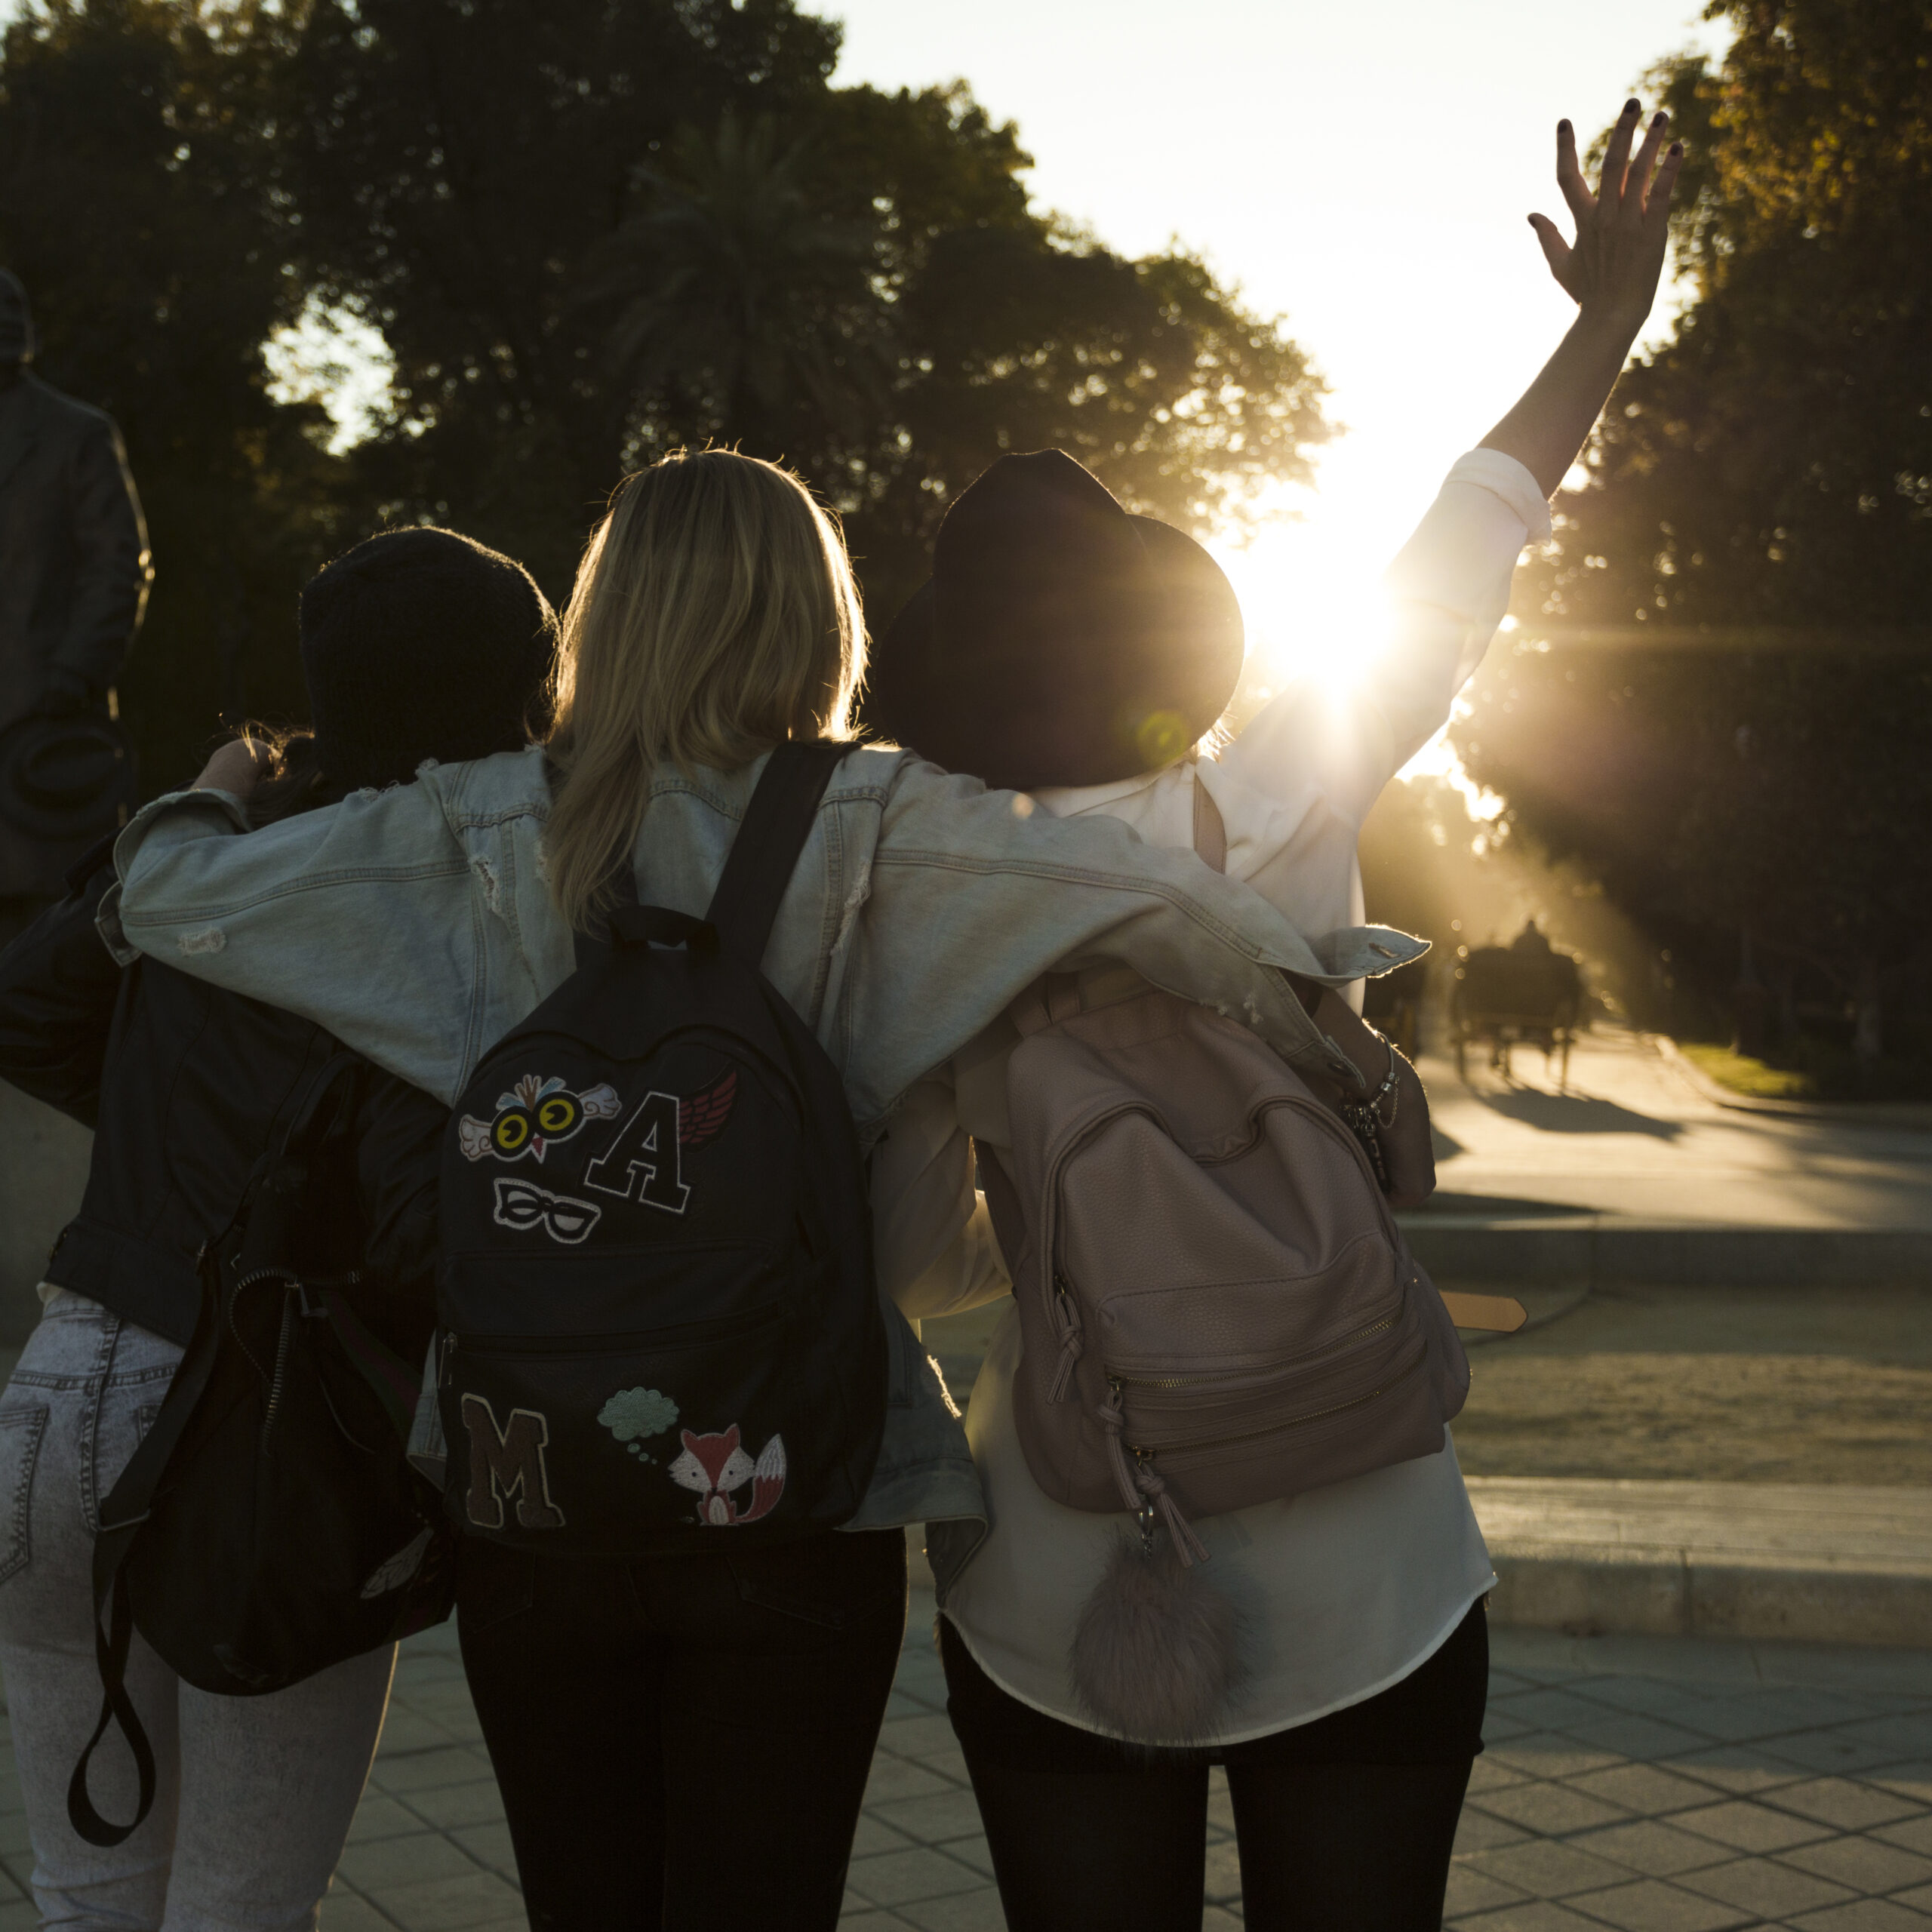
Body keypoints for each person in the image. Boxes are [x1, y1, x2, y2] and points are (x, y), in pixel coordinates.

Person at [105, 448, 1408, 1928]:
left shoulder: (467, 828)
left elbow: (167, 901)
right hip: (796, 1480)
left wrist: (208, 796)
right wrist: (1335, 1012)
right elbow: (1156, 899)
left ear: (603, 618)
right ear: (816, 621)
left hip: (538, 1483)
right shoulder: (883, 822)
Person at [861, 100, 1684, 1932]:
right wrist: (1602, 321)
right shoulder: (1279, 801)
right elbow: (1459, 546)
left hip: (1063, 1574)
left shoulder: (915, 893)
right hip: (1370, 1553)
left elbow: (918, 1264)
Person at [0, 527, 555, 1930]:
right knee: (240, 1910)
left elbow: (23, 1007)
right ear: (524, 694)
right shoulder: (448, 919)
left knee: (83, 1900)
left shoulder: (213, 873)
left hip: (56, 1405)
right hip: (265, 1441)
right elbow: (417, 1235)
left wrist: (200, 809)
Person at [0, 268, 152, 938]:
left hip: (43, 727)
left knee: (52, 924)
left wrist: (73, 673)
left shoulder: (74, 433)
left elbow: (119, 565)